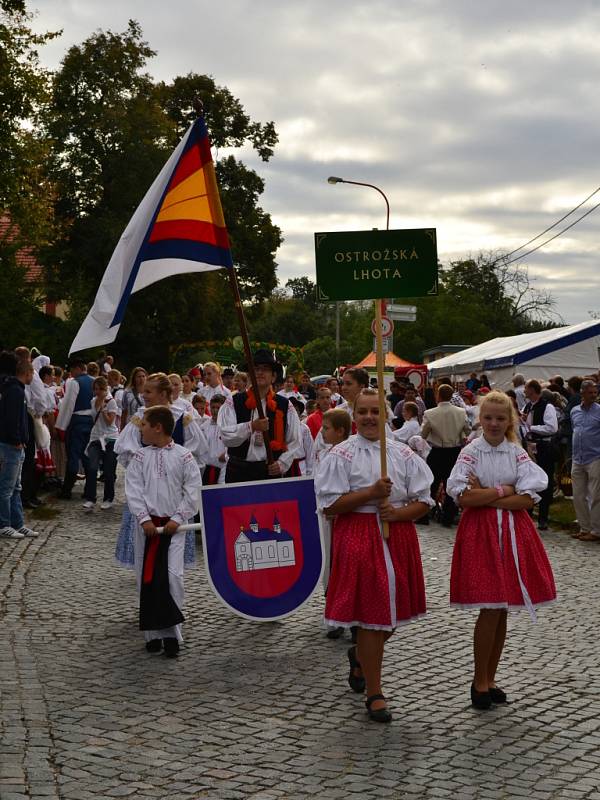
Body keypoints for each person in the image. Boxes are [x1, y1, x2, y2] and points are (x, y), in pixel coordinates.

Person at [314, 388, 433, 722]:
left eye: (375, 411)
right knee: (372, 614)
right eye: (362, 411)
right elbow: (330, 505)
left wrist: (399, 513)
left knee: (392, 614)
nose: (369, 417)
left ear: (385, 415)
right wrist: (369, 492)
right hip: (358, 536)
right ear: (354, 416)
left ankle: (360, 656)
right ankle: (375, 692)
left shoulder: (403, 455)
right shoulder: (341, 455)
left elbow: (425, 500)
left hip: (397, 534)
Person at [446, 391, 556, 709]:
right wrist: (503, 489)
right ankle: (479, 680)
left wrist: (487, 493)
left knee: (503, 606)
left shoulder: (515, 452)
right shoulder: (471, 452)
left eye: (500, 418)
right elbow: (462, 496)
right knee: (490, 605)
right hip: (481, 534)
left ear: (510, 420)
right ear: (480, 419)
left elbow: (528, 497)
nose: (494, 423)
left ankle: (490, 678)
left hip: (511, 534)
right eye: (488, 417)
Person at [125, 405, 202, 657]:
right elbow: (133, 489)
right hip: (147, 529)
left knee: (171, 577)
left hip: (173, 528)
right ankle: (152, 633)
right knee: (145, 579)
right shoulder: (139, 457)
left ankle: (172, 633)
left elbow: (193, 491)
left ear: (157, 427)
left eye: (144, 425)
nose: (141, 430)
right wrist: (144, 519)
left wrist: (178, 517)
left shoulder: (184, 456)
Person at [114, 373, 206, 569]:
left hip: (173, 493)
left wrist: (173, 465)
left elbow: (198, 449)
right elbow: (124, 448)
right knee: (145, 546)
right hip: (147, 491)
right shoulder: (141, 417)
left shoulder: (182, 417)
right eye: (144, 390)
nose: (143, 394)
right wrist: (145, 466)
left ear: (164, 394)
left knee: (173, 552)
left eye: (149, 391)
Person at [218, 349, 301, 483]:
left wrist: (281, 464)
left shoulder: (285, 405)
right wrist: (251, 426)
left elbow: (295, 441)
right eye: (256, 369)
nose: (260, 372)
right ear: (249, 375)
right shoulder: (233, 401)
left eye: (265, 369)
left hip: (268, 472)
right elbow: (226, 435)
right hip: (238, 471)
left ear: (273, 377)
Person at [0, 355, 39, 538]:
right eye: (33, 373)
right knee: (7, 487)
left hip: (17, 445)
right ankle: (4, 524)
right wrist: (16, 439)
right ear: (27, 372)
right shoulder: (15, 391)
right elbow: (11, 419)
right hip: (11, 446)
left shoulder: (17, 390)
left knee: (16, 487)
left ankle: (17, 523)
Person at [421, 384, 470, 526]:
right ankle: (448, 516)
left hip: (437, 452)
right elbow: (467, 430)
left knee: (431, 484)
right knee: (451, 484)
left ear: (438, 395)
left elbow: (423, 434)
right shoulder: (461, 412)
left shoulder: (430, 413)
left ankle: (424, 514)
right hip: (454, 452)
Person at [55, 358, 95, 500]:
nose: (71, 373)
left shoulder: (74, 382)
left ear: (78, 368)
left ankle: (66, 491)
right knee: (88, 456)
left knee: (73, 456)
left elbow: (68, 405)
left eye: (72, 370)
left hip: (77, 422)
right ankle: (90, 491)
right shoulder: (95, 381)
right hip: (91, 422)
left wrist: (61, 426)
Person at [522, 379, 559, 530]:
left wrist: (532, 427)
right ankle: (527, 515)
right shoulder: (528, 406)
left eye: (526, 388)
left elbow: (552, 428)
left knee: (546, 482)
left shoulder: (547, 406)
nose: (524, 391)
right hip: (530, 447)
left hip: (544, 447)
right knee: (529, 480)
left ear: (532, 390)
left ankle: (543, 517)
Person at [82, 376, 119, 511]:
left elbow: (110, 422)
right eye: (95, 389)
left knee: (109, 471)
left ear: (105, 389)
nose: (98, 392)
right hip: (96, 438)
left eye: (100, 389)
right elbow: (93, 418)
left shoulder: (111, 402)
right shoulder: (93, 401)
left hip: (110, 438)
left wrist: (103, 409)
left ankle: (108, 498)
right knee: (92, 468)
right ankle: (90, 498)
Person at [570, 380, 600, 541]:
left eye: (595, 392)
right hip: (577, 457)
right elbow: (575, 430)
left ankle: (596, 530)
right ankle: (584, 527)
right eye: (590, 392)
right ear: (582, 393)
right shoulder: (574, 411)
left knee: (596, 495)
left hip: (595, 456)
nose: (594, 395)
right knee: (578, 495)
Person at [202, 394, 228, 485]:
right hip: (208, 468)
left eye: (218, 408)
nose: (215, 410)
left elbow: (236, 445)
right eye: (213, 407)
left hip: (225, 467)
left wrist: (226, 454)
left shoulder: (230, 425)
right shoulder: (204, 426)